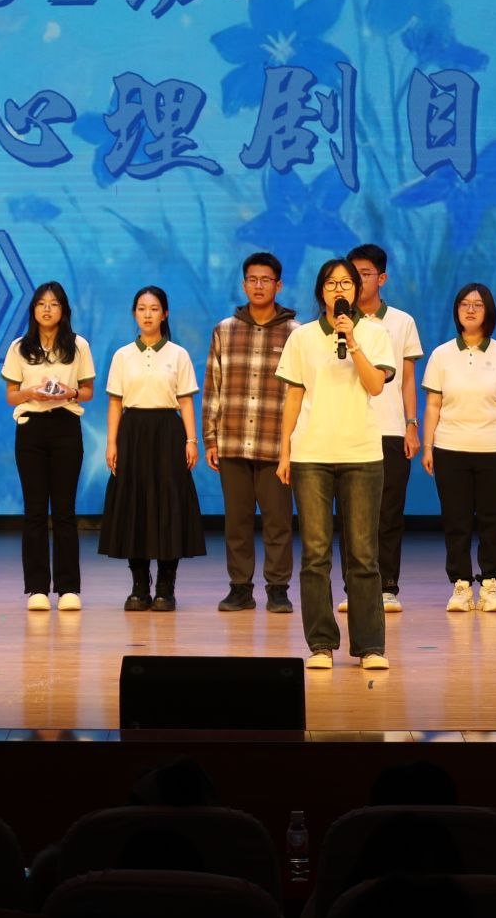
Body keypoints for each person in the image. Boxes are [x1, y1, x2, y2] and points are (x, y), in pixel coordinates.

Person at [275, 259, 393, 670]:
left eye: (346, 282)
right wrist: (285, 451)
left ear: (357, 289)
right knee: (315, 554)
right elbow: (293, 397)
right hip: (311, 455)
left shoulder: (374, 333)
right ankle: (321, 644)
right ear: (321, 292)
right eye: (331, 283)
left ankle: (370, 646)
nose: (338, 289)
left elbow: (375, 385)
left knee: (362, 554)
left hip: (361, 454)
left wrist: (353, 341)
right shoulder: (302, 337)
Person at [421, 283, 496, 614]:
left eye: (477, 305)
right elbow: (433, 405)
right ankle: (461, 585)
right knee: (456, 521)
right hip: (450, 447)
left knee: (494, 520)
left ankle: (491, 585)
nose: (470, 310)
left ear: (488, 312)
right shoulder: (441, 355)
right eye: (464, 304)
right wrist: (428, 446)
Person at [203, 252, 298, 613]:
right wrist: (210, 437)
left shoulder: (296, 333)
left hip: (276, 445)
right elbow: (213, 386)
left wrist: (295, 443)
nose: (259, 286)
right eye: (252, 279)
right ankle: (240, 588)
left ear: (278, 285)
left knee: (278, 523)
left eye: (266, 280)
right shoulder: (224, 330)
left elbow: (302, 392)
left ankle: (278, 589)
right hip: (232, 440)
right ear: (244, 285)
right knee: (237, 522)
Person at [99, 286, 204, 613]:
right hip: (132, 433)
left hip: (168, 433)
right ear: (134, 313)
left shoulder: (178, 354)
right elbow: (115, 403)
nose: (148, 314)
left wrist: (191, 440)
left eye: (154, 308)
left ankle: (166, 588)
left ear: (164, 314)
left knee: (168, 505)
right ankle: (139, 586)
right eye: (142, 308)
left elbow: (185, 400)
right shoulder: (122, 356)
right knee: (135, 506)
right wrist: (112, 443)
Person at [2, 281, 95, 612]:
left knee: (65, 510)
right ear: (33, 310)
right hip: (31, 429)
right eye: (41, 303)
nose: (47, 309)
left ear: (64, 310)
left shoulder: (78, 345)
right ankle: (37, 588)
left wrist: (70, 393)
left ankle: (69, 587)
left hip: (66, 426)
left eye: (54, 304)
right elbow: (11, 395)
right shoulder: (19, 347)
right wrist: (31, 393)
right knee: (35, 510)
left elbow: (88, 391)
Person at [348, 244, 425, 614]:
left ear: (381, 278)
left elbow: (407, 380)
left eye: (364, 274)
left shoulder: (401, 321)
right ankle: (354, 588)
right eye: (352, 274)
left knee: (389, 512)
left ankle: (387, 586)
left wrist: (411, 424)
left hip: (391, 428)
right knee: (352, 515)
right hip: (348, 429)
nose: (357, 281)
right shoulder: (337, 322)